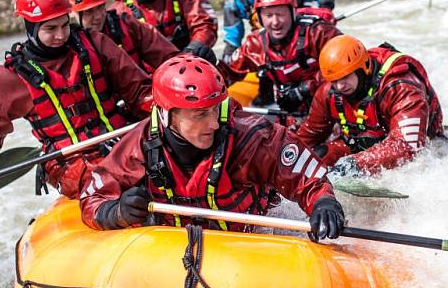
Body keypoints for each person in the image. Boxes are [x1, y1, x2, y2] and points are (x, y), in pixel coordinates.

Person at [79, 55, 345, 242]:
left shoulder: (251, 136)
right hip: (173, 249)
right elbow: (92, 198)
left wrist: (323, 202)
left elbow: (308, 178)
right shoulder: (138, 147)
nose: (212, 124)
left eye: (215, 110)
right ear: (165, 115)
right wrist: (118, 213)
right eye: (199, 115)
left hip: (252, 243)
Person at [0, 0, 153, 199]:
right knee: (114, 186)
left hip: (122, 141)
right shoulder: (11, 78)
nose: (60, 35)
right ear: (31, 27)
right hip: (69, 165)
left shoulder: (96, 44)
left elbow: (140, 91)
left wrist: (169, 115)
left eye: (64, 25)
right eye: (50, 29)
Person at [296, 35, 444, 174]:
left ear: (362, 68)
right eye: (334, 80)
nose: (340, 86)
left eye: (345, 77)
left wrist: (355, 165)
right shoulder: (328, 92)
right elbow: (308, 136)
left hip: (420, 148)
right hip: (362, 144)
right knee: (317, 156)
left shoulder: (401, 87)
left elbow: (406, 147)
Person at [217, 0, 341, 116]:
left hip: (329, 105)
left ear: (293, 12)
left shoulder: (318, 33)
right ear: (260, 18)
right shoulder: (254, 43)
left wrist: (305, 88)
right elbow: (229, 75)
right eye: (268, 16)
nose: (275, 22)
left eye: (280, 14)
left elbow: (346, 69)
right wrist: (212, 66)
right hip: (292, 112)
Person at [60, 0, 179, 74]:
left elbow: (169, 56)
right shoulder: (65, 49)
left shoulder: (126, 24)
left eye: (101, 7)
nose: (98, 16)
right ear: (71, 12)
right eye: (89, 11)